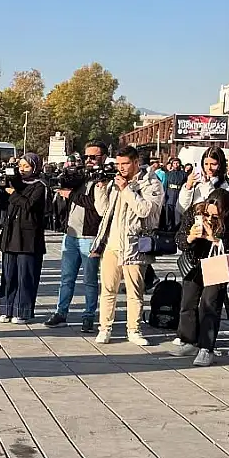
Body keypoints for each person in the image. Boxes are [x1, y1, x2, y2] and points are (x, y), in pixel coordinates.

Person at [92, 147, 163, 344]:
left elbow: (145, 211)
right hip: (112, 244)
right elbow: (102, 210)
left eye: (125, 164)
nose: (121, 168)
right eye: (118, 164)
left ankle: (134, 330)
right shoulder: (115, 182)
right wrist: (100, 188)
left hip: (135, 244)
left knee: (135, 291)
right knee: (108, 289)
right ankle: (104, 328)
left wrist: (127, 189)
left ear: (135, 163)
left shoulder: (151, 183)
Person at [170, 190, 229, 366]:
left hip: (216, 265)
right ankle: (188, 341)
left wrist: (215, 238)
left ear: (225, 211)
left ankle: (206, 348)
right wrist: (190, 237)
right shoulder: (194, 211)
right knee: (187, 303)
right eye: (209, 213)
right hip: (194, 263)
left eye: (216, 215)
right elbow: (179, 238)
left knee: (210, 305)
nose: (211, 217)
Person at [46, 142, 110, 331]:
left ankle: (88, 316)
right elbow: (64, 188)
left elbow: (96, 207)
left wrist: (71, 194)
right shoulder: (81, 176)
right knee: (66, 278)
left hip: (89, 236)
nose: (88, 161)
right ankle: (61, 313)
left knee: (89, 280)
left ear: (104, 157)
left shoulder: (104, 180)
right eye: (86, 157)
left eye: (93, 157)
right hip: (71, 234)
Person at [0, 152, 50, 324]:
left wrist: (13, 193)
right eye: (20, 166)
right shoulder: (17, 183)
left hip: (28, 237)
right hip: (11, 234)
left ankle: (23, 311)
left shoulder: (40, 185)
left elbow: (29, 205)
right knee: (8, 275)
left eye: (26, 166)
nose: (22, 170)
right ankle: (6, 309)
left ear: (35, 167)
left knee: (25, 276)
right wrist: (7, 185)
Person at [178, 147, 229, 217]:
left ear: (220, 164)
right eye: (206, 164)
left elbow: (216, 207)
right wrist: (188, 188)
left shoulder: (225, 184)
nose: (209, 168)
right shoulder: (196, 182)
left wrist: (208, 185)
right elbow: (182, 208)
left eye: (213, 164)